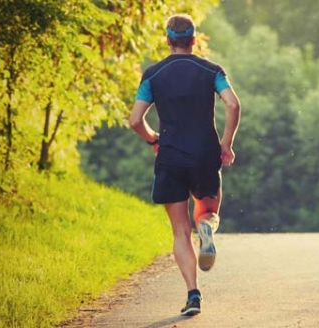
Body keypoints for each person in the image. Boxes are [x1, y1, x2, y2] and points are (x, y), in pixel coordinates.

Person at [128, 13, 241, 316]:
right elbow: (232, 104)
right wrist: (226, 145)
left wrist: (154, 139)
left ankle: (193, 295)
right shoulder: (211, 70)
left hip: (171, 158)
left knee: (180, 231)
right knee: (207, 212)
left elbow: (135, 120)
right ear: (193, 40)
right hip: (205, 153)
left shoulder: (153, 75)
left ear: (168, 40)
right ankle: (206, 228)